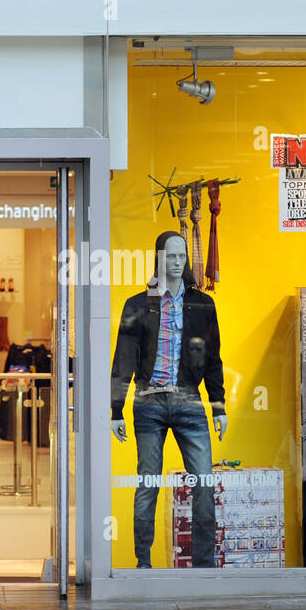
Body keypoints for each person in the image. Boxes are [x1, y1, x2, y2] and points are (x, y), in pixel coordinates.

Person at [112, 232, 226, 568]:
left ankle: (203, 565)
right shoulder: (138, 303)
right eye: (170, 257)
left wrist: (217, 404)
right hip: (149, 401)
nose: (177, 263)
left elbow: (214, 357)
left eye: (181, 257)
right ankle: (143, 562)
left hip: (190, 401)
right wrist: (115, 410)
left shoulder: (202, 304)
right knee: (148, 481)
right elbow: (123, 359)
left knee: (203, 482)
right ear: (159, 259)